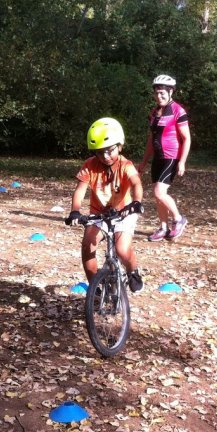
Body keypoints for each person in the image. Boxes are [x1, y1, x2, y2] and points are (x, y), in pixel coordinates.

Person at [65, 117, 145, 293]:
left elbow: (136, 183)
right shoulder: (89, 165)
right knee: (87, 246)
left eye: (110, 151)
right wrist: (75, 211)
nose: (105, 156)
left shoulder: (125, 165)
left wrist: (137, 202)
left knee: (122, 250)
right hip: (98, 214)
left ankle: (133, 272)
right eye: (100, 153)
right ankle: (95, 286)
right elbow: (80, 190)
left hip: (124, 212)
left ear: (120, 146)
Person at [139, 74, 191, 241]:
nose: (159, 96)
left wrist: (182, 161)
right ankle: (163, 227)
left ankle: (178, 219)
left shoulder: (178, 111)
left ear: (170, 92)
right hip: (158, 158)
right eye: (156, 93)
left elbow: (186, 138)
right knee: (157, 194)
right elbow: (150, 139)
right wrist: (144, 161)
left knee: (159, 192)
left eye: (162, 93)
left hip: (171, 157)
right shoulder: (154, 113)